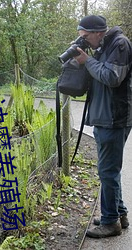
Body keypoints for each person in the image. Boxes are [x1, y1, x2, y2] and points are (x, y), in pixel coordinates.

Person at [74, 15, 132, 238]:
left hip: (114, 118)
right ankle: (119, 214)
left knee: (107, 171)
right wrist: (84, 59)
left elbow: (111, 77)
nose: (85, 41)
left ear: (98, 32)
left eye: (86, 37)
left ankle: (110, 223)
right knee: (109, 171)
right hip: (104, 117)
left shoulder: (120, 44)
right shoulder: (103, 46)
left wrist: (87, 61)